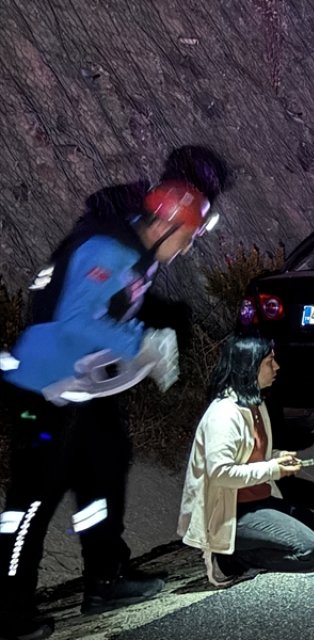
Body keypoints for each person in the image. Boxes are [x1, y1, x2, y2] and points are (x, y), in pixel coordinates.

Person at [0, 147, 227, 640]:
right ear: (165, 224)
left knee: (102, 474)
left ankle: (105, 578)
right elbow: (77, 321)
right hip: (45, 390)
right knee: (31, 505)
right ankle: (6, 608)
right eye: (186, 238)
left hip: (81, 388)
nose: (187, 249)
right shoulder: (108, 251)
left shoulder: (135, 251)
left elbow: (108, 315)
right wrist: (141, 344)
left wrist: (144, 347)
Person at [177, 336, 314, 587]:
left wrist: (277, 458)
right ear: (249, 366)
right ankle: (232, 558)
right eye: (269, 361)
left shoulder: (256, 405)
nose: (276, 367)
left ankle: (265, 547)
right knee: (311, 551)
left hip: (260, 500)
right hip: (231, 511)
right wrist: (272, 468)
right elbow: (221, 473)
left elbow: (250, 456)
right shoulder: (224, 414)